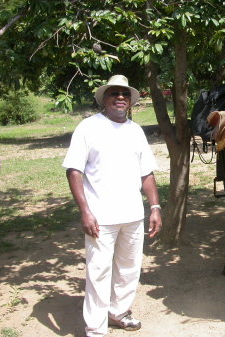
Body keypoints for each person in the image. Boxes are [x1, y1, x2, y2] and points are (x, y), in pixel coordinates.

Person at [63, 74, 162, 337]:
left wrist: (154, 208)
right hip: (100, 217)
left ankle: (119, 311)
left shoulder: (135, 131)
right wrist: (85, 211)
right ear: (104, 99)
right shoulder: (88, 128)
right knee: (98, 272)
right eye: (114, 93)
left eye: (124, 94)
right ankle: (95, 328)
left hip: (132, 215)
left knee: (129, 267)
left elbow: (147, 174)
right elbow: (74, 171)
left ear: (130, 101)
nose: (120, 97)